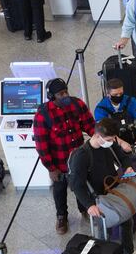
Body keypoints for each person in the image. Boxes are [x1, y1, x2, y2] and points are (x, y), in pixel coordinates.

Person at [33, 78, 95, 234]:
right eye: (61, 94)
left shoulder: (77, 104)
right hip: (59, 163)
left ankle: (84, 208)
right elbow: (42, 145)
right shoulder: (43, 115)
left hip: (79, 159)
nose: (66, 95)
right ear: (52, 97)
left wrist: (99, 138)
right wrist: (51, 168)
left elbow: (89, 125)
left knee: (81, 184)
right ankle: (62, 217)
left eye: (66, 91)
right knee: (60, 190)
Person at [68, 118, 136, 254]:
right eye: (109, 139)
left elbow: (123, 156)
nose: (112, 142)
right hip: (99, 200)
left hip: (114, 191)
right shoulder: (81, 156)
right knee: (104, 231)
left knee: (127, 222)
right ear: (98, 136)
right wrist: (89, 205)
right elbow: (77, 185)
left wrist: (128, 167)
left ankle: (128, 251)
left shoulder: (110, 144)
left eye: (113, 139)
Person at [94, 78, 136, 180]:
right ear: (107, 94)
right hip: (113, 139)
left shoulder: (130, 101)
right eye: (115, 95)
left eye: (121, 93)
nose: (119, 96)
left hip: (130, 134)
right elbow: (104, 133)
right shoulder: (100, 109)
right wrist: (121, 143)